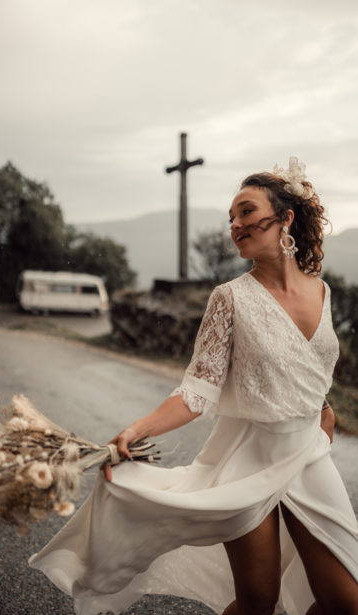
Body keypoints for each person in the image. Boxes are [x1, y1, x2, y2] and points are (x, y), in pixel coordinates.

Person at [29, 157, 358, 615]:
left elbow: (313, 371)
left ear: (287, 217)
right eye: (231, 218)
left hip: (310, 455)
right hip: (248, 459)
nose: (235, 224)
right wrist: (137, 430)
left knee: (347, 600)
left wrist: (322, 412)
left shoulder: (322, 293)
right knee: (258, 601)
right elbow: (196, 392)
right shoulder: (229, 299)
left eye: (246, 211)